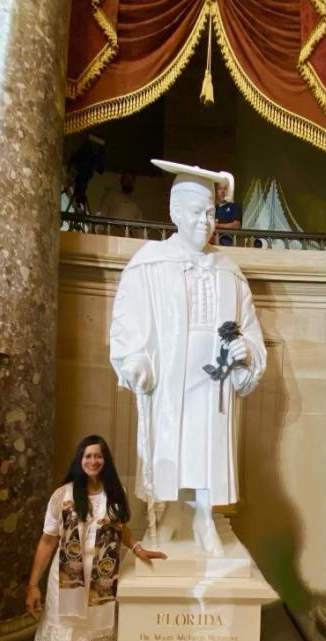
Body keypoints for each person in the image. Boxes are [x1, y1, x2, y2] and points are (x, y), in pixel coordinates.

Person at [110, 160, 266, 557]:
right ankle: (159, 516)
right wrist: (134, 360)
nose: (206, 222)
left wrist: (246, 353)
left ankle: (204, 517)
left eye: (211, 214)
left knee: (208, 444)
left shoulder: (230, 271)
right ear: (176, 213)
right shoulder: (148, 263)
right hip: (168, 374)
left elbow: (251, 332)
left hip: (214, 377)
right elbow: (126, 322)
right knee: (168, 445)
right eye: (197, 213)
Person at [25, 434, 166, 641]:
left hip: (99, 585)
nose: (93, 461)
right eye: (87, 456)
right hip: (66, 584)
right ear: (79, 460)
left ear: (105, 461)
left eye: (98, 456)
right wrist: (32, 583)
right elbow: (48, 540)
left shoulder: (114, 495)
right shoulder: (62, 495)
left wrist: (138, 548)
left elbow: (121, 528)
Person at [215, 177, 242, 246]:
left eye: (225, 188)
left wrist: (217, 225)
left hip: (227, 243)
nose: (222, 191)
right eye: (220, 188)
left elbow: (236, 225)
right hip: (212, 243)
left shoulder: (234, 206)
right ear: (216, 191)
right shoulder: (213, 208)